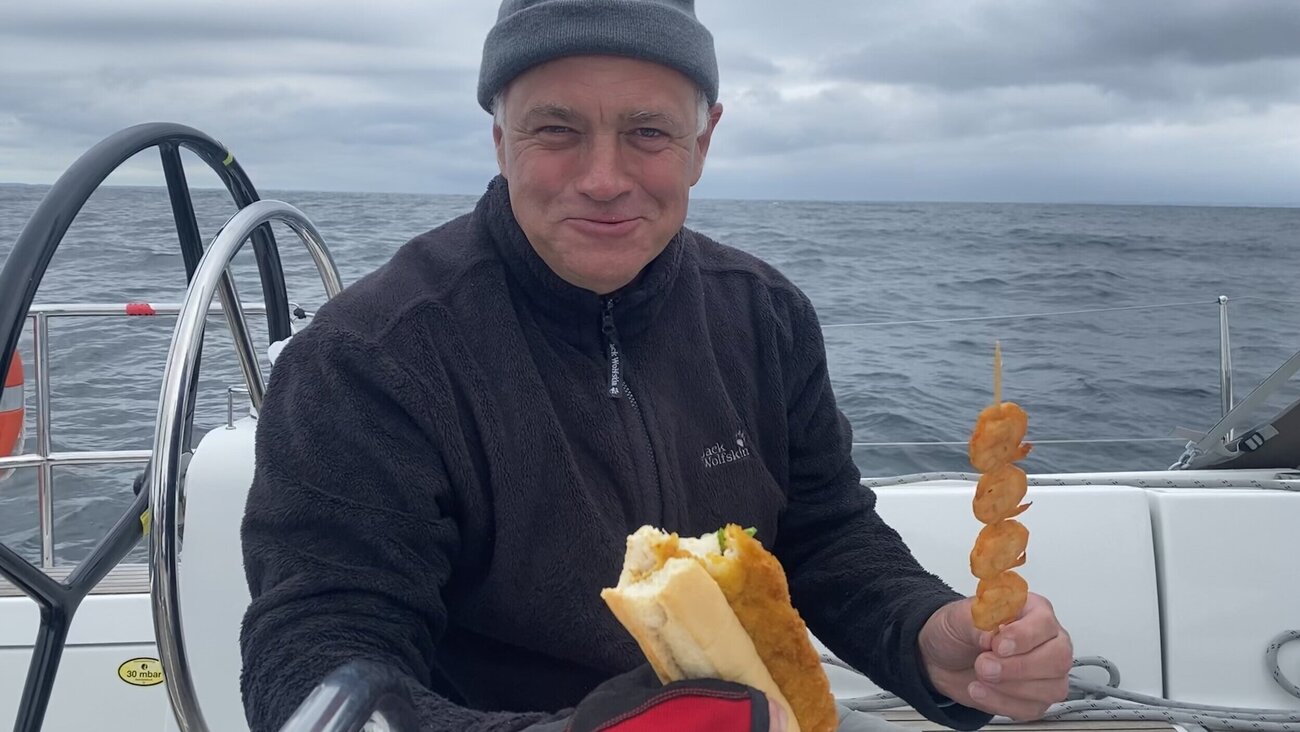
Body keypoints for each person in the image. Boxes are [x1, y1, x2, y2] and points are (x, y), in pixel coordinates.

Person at [238, 0, 1074, 730]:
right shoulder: (370, 357)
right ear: (502, 140)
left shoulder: (764, 313)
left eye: (648, 133)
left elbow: (825, 536)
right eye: (557, 130)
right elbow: (318, 651)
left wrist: (927, 636)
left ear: (703, 143)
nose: (604, 179)